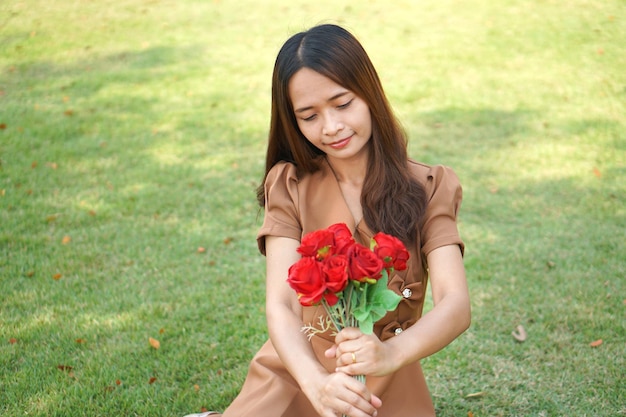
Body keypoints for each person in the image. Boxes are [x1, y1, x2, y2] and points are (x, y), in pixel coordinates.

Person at [184, 23, 470, 417]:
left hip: (386, 379)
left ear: (369, 94)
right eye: (309, 115)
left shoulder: (428, 185)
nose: (331, 127)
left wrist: (389, 354)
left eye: (342, 103)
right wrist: (316, 385)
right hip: (298, 373)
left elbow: (455, 304)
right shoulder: (290, 184)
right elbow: (281, 306)